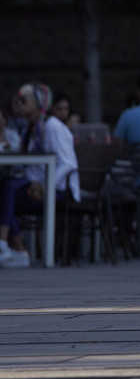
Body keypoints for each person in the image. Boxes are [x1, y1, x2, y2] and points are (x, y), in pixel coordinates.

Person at [0, 83, 80, 268]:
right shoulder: (30, 128)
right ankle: (17, 250)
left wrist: (44, 185)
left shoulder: (52, 127)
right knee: (5, 188)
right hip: (36, 184)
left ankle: (5, 245)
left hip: (59, 188)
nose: (18, 104)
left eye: (24, 100)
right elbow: (32, 165)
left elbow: (67, 164)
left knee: (8, 188)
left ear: (38, 104)